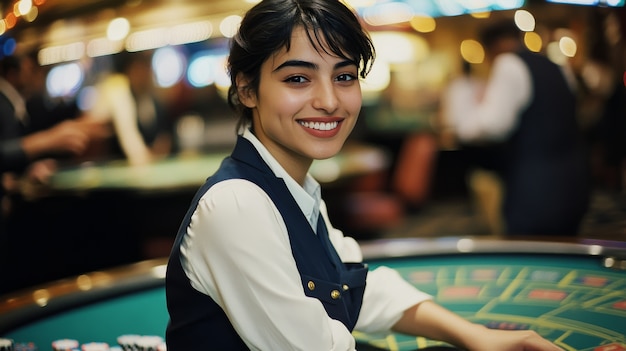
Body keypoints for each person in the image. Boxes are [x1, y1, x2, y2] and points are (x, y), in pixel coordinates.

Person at [165, 1, 565, 350]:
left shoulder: (292, 187)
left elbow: (358, 287)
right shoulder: (237, 203)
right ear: (248, 89)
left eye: (344, 76)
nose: (329, 102)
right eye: (297, 78)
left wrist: (473, 335)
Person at [446, 19, 590, 236]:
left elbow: (494, 125)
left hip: (536, 184)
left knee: (532, 253)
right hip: (574, 178)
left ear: (489, 48)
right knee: (564, 249)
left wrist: (465, 122)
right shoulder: (556, 66)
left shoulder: (507, 64)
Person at [86, 50, 172, 166]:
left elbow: (164, 134)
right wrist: (144, 157)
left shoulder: (153, 99)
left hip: (148, 164)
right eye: (139, 69)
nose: (143, 75)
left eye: (146, 69)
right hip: (112, 164)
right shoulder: (118, 89)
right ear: (129, 71)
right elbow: (128, 134)